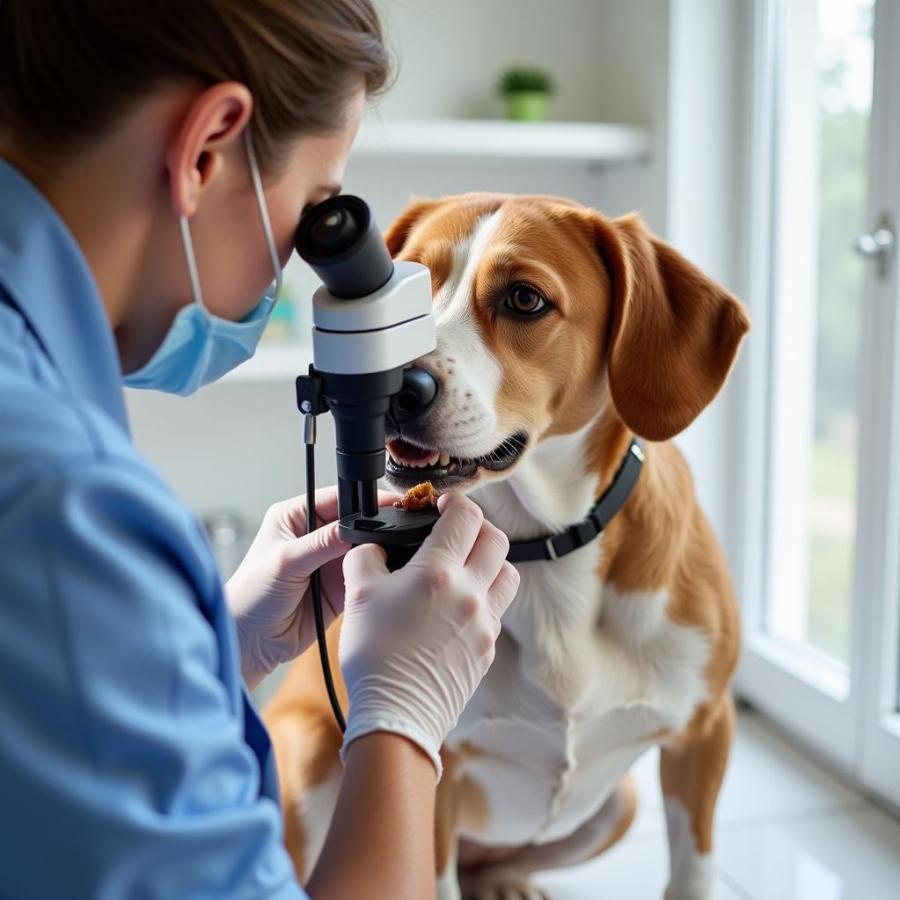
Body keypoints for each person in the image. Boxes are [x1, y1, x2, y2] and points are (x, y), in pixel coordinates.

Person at [0, 2, 520, 898]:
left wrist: (211, 647)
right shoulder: (59, 503)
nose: (302, 259)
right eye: (316, 213)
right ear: (208, 146)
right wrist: (402, 722)